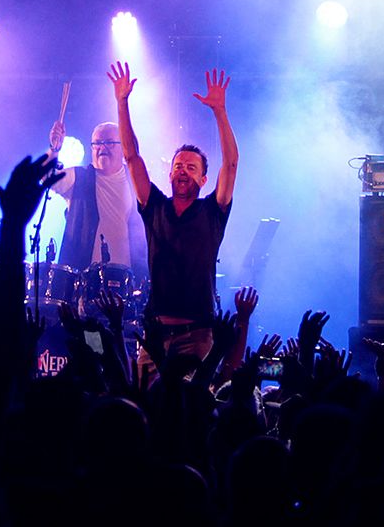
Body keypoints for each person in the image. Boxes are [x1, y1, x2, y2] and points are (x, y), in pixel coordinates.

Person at [110, 61, 238, 338]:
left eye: (191, 168)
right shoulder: (155, 206)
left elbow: (230, 164)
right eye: (178, 166)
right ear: (170, 174)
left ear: (203, 180)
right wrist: (122, 103)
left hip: (198, 333)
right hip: (157, 332)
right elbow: (131, 157)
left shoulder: (212, 211)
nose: (183, 171)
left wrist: (220, 112)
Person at [43, 118, 149, 291]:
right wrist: (54, 149)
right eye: (97, 143)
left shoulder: (135, 182)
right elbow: (47, 177)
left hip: (125, 282)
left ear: (123, 148)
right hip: (81, 281)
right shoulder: (79, 177)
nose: (102, 148)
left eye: (109, 143)